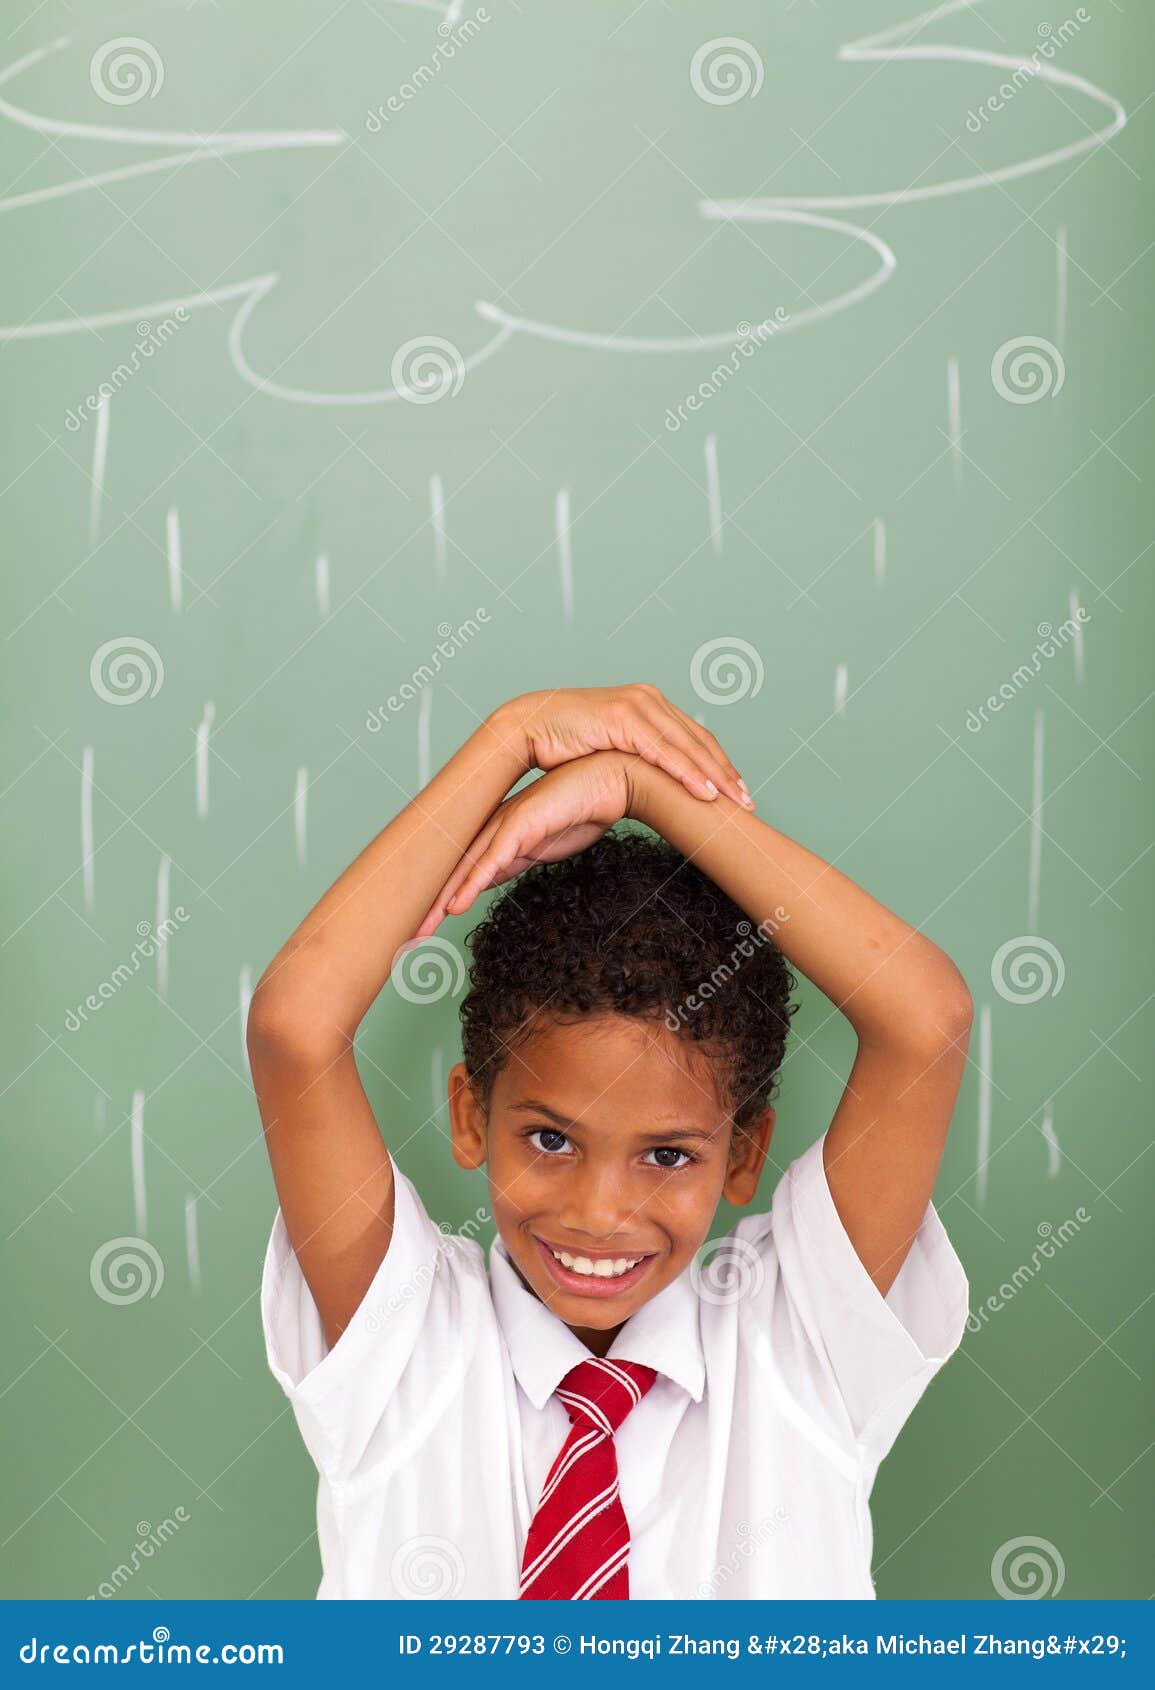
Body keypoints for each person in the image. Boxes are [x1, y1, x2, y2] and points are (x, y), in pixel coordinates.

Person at [251, 684, 972, 1599]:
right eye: (550, 1139)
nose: (598, 1213)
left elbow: (925, 1021)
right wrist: (510, 738)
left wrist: (641, 788)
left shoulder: (796, 1342)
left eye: (667, 1155)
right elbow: (292, 1029)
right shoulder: (402, 1344)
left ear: (743, 1154)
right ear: (471, 1117)